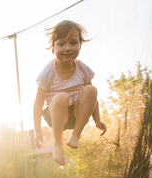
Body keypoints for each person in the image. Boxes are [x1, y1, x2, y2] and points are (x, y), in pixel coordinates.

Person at [33, 20, 106, 166]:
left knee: (91, 89)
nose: (67, 48)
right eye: (61, 44)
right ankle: (58, 144)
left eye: (73, 43)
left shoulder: (82, 68)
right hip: (55, 115)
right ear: (53, 48)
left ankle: (75, 135)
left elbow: (92, 98)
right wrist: (37, 130)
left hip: (76, 115)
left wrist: (97, 119)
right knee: (61, 96)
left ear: (80, 45)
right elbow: (38, 103)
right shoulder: (48, 71)